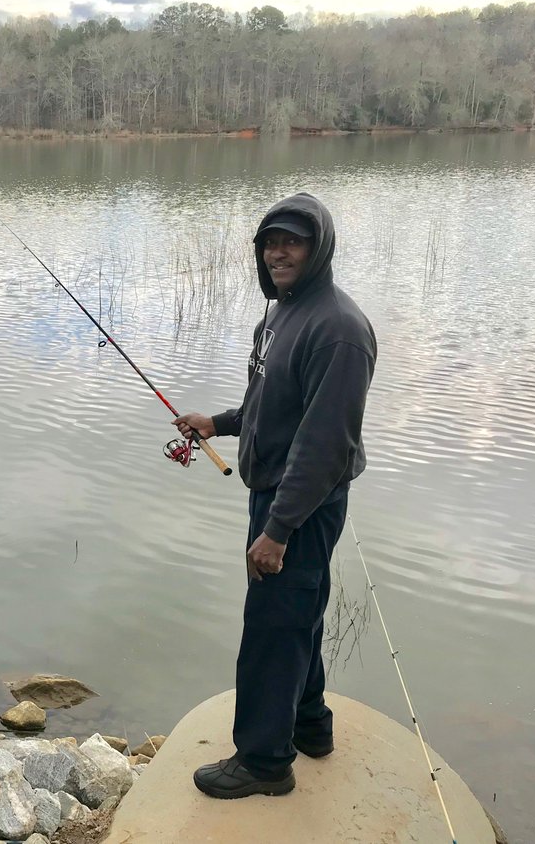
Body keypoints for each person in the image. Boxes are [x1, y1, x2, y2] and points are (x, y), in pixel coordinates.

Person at [173, 192, 376, 799]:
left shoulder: (339, 329)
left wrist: (278, 530)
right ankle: (311, 727)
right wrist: (221, 422)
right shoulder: (280, 313)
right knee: (299, 614)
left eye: (293, 241)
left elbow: (325, 444)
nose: (278, 251)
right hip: (276, 494)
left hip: (302, 504)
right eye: (270, 241)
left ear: (319, 248)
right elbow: (273, 407)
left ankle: (264, 762)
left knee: (271, 624)